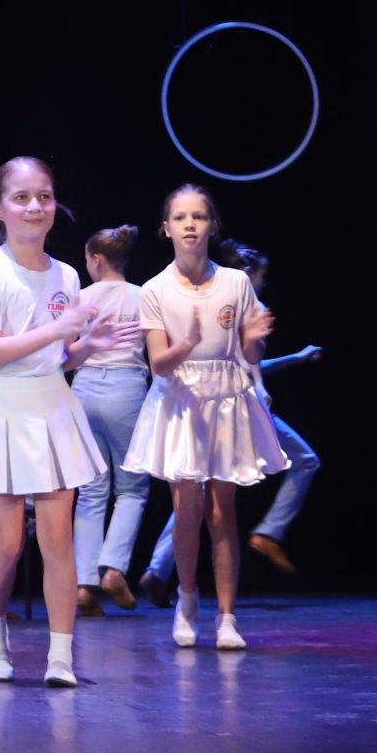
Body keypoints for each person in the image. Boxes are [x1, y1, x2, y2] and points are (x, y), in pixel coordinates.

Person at [0, 157, 139, 686]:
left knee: (58, 541)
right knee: (8, 541)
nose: (35, 207)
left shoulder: (67, 274)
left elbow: (59, 357)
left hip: (51, 406)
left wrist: (87, 346)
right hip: (2, 409)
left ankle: (61, 655)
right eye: (22, 198)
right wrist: (59, 330)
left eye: (45, 196)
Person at [123, 182, 287, 651]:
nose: (190, 225)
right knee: (187, 509)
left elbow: (249, 353)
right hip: (180, 401)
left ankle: (227, 617)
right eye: (180, 217)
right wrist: (188, 343)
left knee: (222, 512)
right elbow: (159, 363)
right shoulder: (154, 289)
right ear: (166, 228)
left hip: (226, 398)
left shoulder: (235, 283)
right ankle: (187, 599)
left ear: (212, 225)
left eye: (198, 216)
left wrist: (255, 339)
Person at [70, 226, 152, 614]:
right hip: (126, 389)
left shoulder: (81, 297)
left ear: (97, 259)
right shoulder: (144, 295)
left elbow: (67, 348)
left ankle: (85, 585)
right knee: (132, 488)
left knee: (90, 491)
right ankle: (114, 568)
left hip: (84, 388)